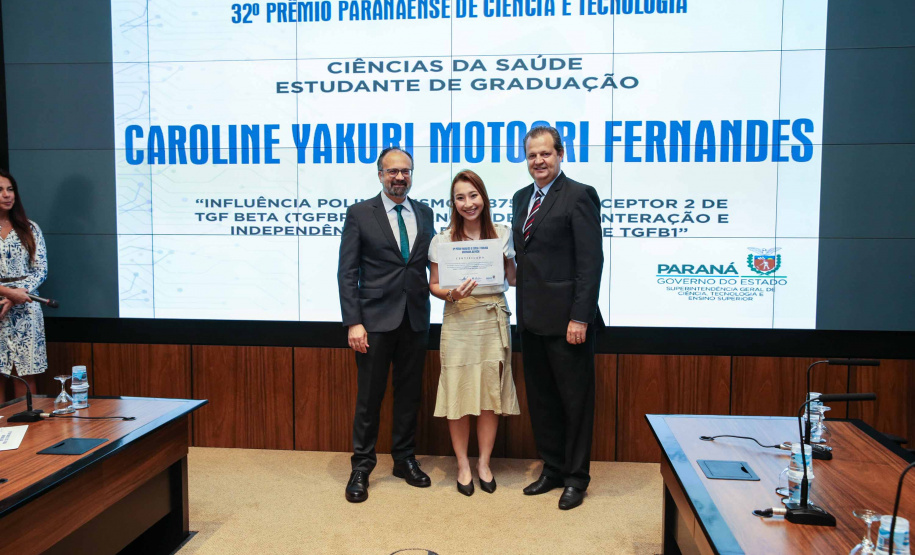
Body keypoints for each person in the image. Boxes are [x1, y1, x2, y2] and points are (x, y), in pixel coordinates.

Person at [337, 147, 436, 503]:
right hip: (374, 322)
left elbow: (433, 264)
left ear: (412, 174)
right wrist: (354, 322)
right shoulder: (360, 213)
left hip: (415, 319)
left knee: (409, 395)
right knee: (369, 397)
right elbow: (347, 273)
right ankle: (362, 466)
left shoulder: (425, 213)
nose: (399, 177)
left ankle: (404, 459)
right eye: (392, 171)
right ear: (380, 174)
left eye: (405, 171)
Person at [511, 126, 603, 510]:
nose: (538, 161)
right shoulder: (520, 199)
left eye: (545, 154)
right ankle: (552, 468)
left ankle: (576, 478)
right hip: (531, 320)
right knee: (543, 399)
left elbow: (590, 262)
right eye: (532, 155)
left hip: (569, 323)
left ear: (560, 154)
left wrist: (580, 317)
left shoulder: (579, 195)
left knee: (574, 402)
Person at [428, 170, 520, 496]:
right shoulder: (442, 240)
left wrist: (510, 259)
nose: (468, 203)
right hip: (458, 319)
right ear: (453, 203)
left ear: (483, 197)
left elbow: (513, 279)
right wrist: (453, 295)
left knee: (487, 397)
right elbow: (434, 285)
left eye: (473, 195)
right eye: (460, 197)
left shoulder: (504, 234)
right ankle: (463, 464)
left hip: (492, 320)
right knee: (458, 393)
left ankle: (483, 462)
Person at [0, 168, 48, 402]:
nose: (7, 195)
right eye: (0, 190)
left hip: (27, 306)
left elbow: (41, 269)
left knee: (26, 373)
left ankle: (31, 432)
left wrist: (16, 295)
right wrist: (7, 292)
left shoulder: (30, 228)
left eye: (10, 189)